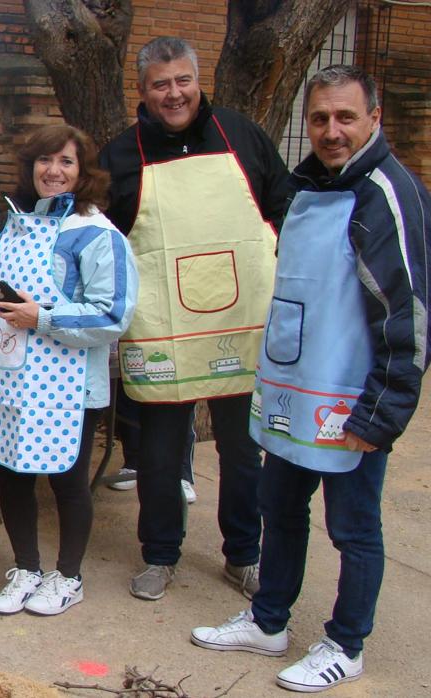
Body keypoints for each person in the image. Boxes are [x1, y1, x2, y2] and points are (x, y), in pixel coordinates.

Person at [191, 65, 430, 694]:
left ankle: (345, 644)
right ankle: (269, 620)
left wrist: (383, 414)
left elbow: (409, 316)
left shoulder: (387, 195)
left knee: (354, 530)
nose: (331, 130)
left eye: (345, 117)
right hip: (292, 396)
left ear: (375, 119)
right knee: (282, 510)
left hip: (350, 404)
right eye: (320, 118)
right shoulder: (306, 188)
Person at [100, 36, 288, 602]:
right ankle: (159, 555)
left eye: (183, 80)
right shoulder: (120, 155)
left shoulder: (241, 134)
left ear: (198, 80)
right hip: (162, 330)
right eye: (161, 84)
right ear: (142, 90)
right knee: (159, 455)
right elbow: (99, 238)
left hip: (240, 323)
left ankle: (243, 555)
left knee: (241, 451)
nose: (174, 93)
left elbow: (282, 205)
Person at [0, 124, 138, 616]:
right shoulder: (19, 222)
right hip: (12, 373)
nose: (54, 171)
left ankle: (68, 576)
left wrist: (42, 318)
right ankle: (26, 568)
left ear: (82, 171)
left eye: (66, 162)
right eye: (45, 160)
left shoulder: (95, 232)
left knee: (67, 478)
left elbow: (114, 314)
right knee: (10, 472)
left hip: (68, 383)